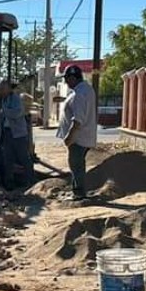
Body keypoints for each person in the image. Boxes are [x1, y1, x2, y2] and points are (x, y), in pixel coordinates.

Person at [57, 65, 97, 201]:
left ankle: (79, 193)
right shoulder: (86, 90)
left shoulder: (80, 94)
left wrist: (69, 137)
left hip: (78, 138)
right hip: (84, 136)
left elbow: (78, 120)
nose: (66, 83)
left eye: (67, 79)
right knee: (77, 164)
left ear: (73, 77)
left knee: (76, 164)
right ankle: (78, 191)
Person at [0, 80, 34, 190]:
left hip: (18, 133)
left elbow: (17, 113)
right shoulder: (2, 100)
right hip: (7, 132)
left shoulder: (16, 99)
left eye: (3, 88)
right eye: (0, 89)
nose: (1, 91)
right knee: (8, 159)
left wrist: (4, 110)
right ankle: (9, 183)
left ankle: (30, 181)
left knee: (23, 157)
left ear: (9, 88)